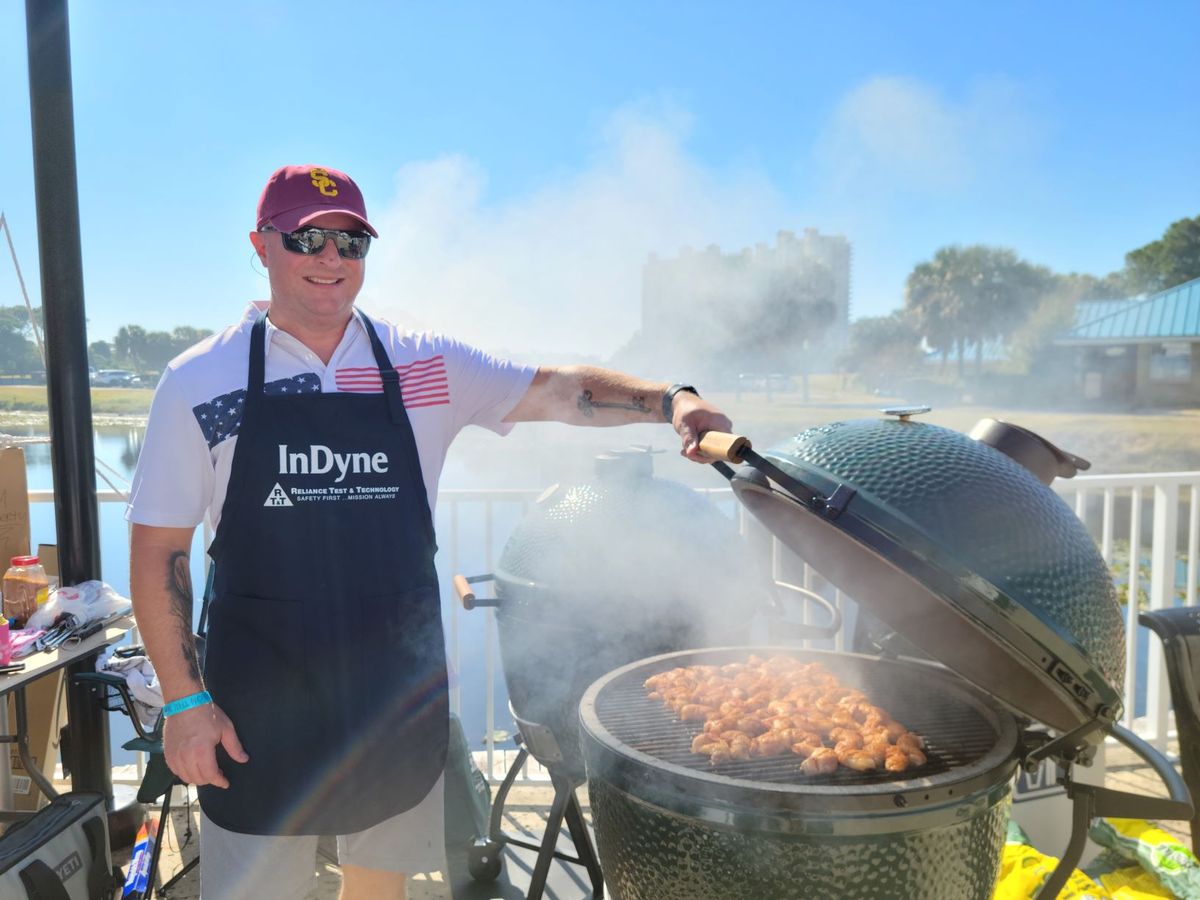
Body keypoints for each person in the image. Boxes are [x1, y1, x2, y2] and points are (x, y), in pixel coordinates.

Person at [126, 163, 732, 900]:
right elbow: (161, 550)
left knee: (379, 888)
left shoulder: (423, 365)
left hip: (390, 688)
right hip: (259, 693)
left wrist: (669, 398)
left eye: (351, 243)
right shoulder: (201, 379)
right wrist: (186, 705)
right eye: (307, 238)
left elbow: (561, 391)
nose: (330, 259)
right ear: (261, 245)